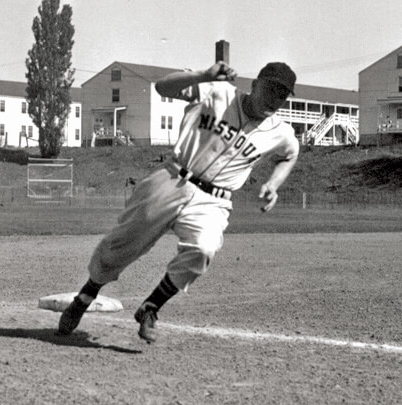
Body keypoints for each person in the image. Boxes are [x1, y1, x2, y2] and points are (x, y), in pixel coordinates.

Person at [58, 61, 300, 343]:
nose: (275, 100)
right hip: (173, 179)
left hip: (214, 200)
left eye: (283, 95)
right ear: (255, 84)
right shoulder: (218, 92)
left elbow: (290, 154)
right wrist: (202, 75)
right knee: (121, 245)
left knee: (202, 250)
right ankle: (87, 293)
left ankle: (151, 307)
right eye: (271, 89)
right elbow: (162, 87)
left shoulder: (280, 132)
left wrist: (273, 184)